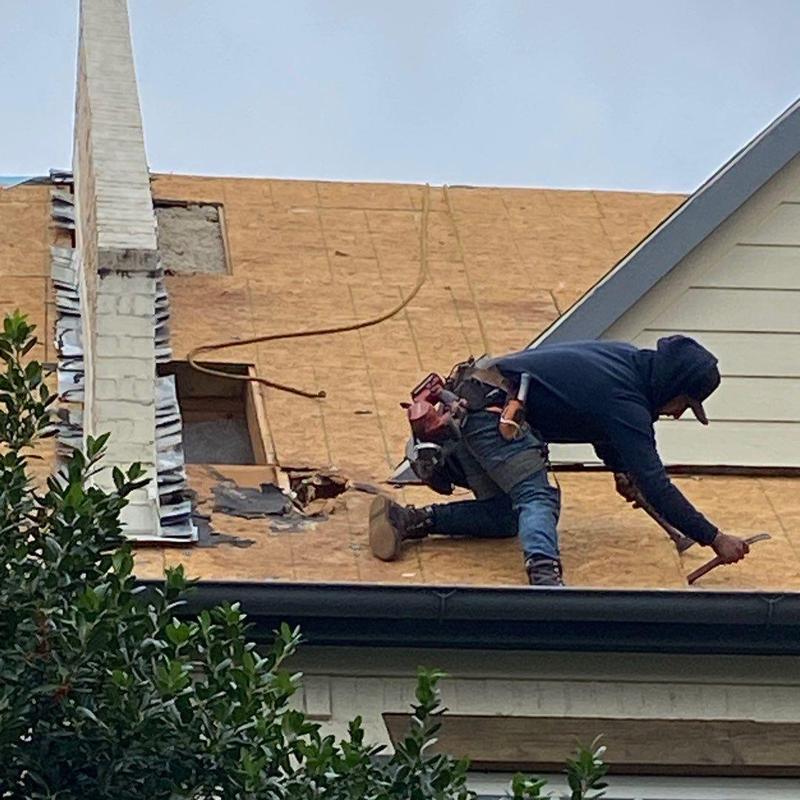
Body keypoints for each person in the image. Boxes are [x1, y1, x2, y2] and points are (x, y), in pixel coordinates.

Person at [368, 335, 751, 586]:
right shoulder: (627, 401)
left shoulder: (623, 363)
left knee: (506, 516)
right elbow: (656, 483)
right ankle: (545, 579)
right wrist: (714, 537)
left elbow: (596, 417)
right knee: (537, 498)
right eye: (684, 404)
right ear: (673, 385)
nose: (678, 413)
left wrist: (619, 468)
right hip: (493, 413)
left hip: (471, 403)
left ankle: (409, 519)